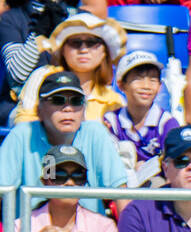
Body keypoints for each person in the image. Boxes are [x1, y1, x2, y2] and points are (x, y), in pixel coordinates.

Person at [0, 71, 128, 215]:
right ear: (39, 110)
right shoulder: (22, 134)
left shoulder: (96, 133)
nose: (68, 108)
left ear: (84, 109)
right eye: (58, 100)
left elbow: (120, 193)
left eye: (76, 101)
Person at [11, 12, 125, 122]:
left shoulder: (113, 100)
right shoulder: (42, 76)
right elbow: (25, 123)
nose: (83, 49)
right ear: (63, 51)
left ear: (104, 52)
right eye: (75, 42)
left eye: (92, 42)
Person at [102, 50, 180, 187]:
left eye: (153, 79)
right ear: (121, 85)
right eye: (138, 79)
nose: (146, 86)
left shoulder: (167, 123)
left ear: (160, 86)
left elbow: (173, 167)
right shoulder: (111, 122)